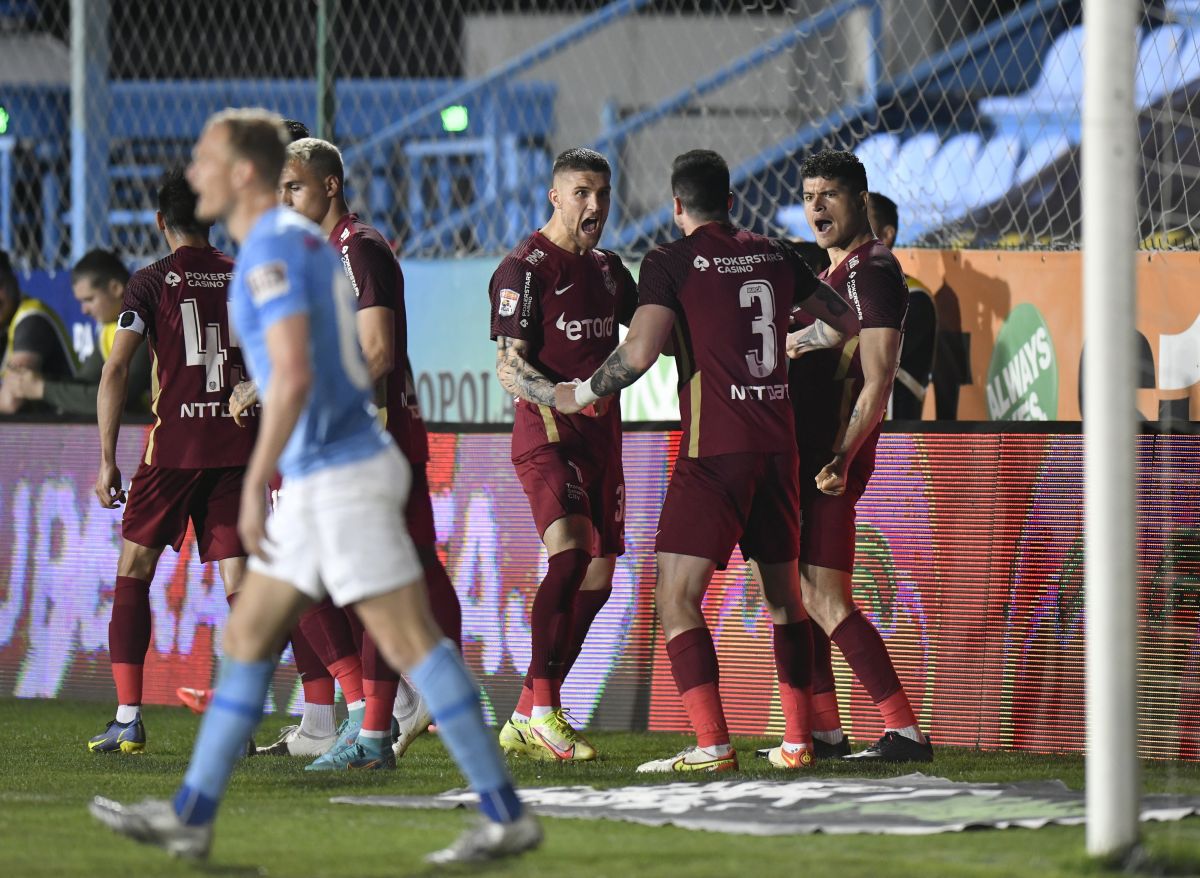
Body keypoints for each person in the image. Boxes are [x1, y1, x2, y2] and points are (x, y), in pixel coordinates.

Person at [89, 108, 540, 866]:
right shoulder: (291, 244)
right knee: (254, 636)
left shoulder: (275, 248)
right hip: (332, 468)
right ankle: (192, 817)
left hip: (338, 473)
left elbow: (302, 372)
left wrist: (260, 471)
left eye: (207, 158)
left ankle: (502, 813)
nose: (194, 171)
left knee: (408, 645)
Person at [554, 149, 860, 772]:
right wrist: (793, 343)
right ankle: (798, 743)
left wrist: (578, 393)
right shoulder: (775, 252)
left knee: (676, 598)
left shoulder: (669, 261)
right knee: (786, 602)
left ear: (675, 206)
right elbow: (843, 319)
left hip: (714, 454)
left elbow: (639, 353)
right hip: (779, 451)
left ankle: (712, 744)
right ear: (730, 200)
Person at [251, 135, 463, 767]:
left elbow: (375, 354)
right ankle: (387, 713)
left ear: (330, 186)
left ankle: (374, 727)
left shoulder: (359, 250)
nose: (283, 200)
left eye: (293, 187)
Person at [85, 168, 254, 754]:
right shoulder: (241, 277)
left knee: (134, 570)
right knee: (240, 580)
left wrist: (107, 458)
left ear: (161, 222)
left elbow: (115, 370)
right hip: (237, 446)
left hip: (174, 451)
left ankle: (128, 717)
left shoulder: (150, 282)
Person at [488, 147, 638, 763]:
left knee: (599, 578)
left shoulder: (608, 269)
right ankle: (548, 711)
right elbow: (509, 365)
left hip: (604, 441)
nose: (595, 205)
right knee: (572, 555)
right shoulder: (522, 269)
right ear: (554, 196)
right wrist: (563, 395)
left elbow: (654, 328)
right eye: (581, 192)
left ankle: (527, 710)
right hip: (548, 436)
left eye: (602, 192)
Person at [790, 149, 933, 762]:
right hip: (816, 452)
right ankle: (824, 732)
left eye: (830, 194)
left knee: (824, 596)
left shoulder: (872, 270)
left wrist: (843, 457)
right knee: (804, 593)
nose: (816, 206)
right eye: (809, 195)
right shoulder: (837, 273)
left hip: (830, 459)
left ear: (860, 201)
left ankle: (904, 731)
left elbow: (878, 379)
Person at [2, 249, 152, 415]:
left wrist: (41, 388)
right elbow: (84, 383)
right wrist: (33, 382)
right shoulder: (110, 329)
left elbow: (119, 396)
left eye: (89, 300)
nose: (84, 310)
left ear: (116, 288)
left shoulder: (143, 325)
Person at [865, 192, 937, 420]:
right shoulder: (834, 288)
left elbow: (870, 353)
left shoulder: (916, 297)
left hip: (893, 445)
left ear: (886, 235)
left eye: (860, 223)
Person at [0, 248, 77, 413]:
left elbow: (11, 400)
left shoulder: (32, 320)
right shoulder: (5, 323)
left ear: (13, 281)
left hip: (68, 430)